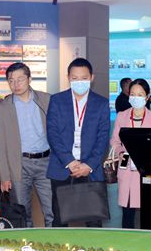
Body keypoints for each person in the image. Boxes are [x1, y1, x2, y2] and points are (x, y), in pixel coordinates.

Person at [46, 58, 110, 227]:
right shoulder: (57, 100)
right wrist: (70, 161)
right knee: (60, 219)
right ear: (68, 78)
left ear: (92, 77)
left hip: (90, 168)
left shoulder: (101, 103)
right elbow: (52, 134)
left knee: (94, 220)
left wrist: (88, 165)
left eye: (84, 78)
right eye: (75, 78)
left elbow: (103, 138)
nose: (79, 82)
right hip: (62, 167)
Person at [0, 62, 53, 227]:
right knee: (22, 211)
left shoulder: (46, 99)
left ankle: (54, 239)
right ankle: (27, 241)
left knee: (51, 210)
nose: (16, 84)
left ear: (29, 79)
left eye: (20, 79)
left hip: (46, 162)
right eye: (11, 80)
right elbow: (0, 142)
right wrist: (5, 176)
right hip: (19, 164)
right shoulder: (4, 106)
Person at [110, 78, 151, 228]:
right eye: (132, 94)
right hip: (126, 166)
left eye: (140, 95)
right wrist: (121, 152)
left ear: (147, 97)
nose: (135, 98)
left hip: (144, 169)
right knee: (127, 212)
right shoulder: (122, 116)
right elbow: (115, 141)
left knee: (147, 212)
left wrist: (144, 157)